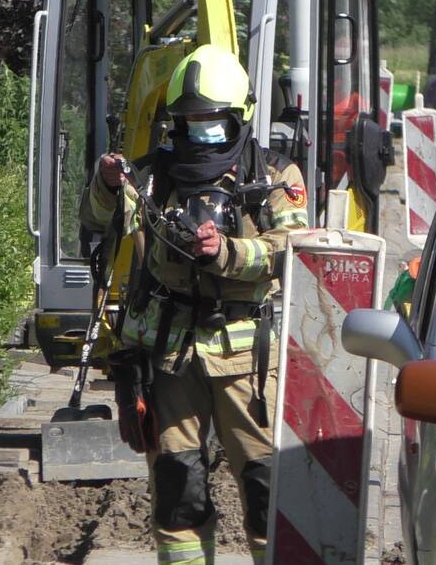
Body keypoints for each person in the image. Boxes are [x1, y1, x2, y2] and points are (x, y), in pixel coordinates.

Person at [80, 44, 309, 565]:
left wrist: (226, 252)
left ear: (239, 117)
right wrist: (107, 183)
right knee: (177, 488)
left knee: (267, 487)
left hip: (246, 362)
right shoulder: (153, 176)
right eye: (189, 123)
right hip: (171, 357)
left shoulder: (275, 176)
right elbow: (98, 217)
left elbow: (292, 250)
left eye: (212, 123)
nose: (199, 134)